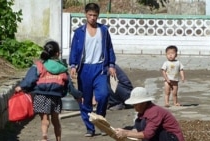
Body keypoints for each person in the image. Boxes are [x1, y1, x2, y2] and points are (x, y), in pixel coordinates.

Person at [15, 40, 83, 141]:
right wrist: (77, 96)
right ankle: (58, 139)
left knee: (44, 119)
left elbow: (30, 79)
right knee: (56, 120)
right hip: (55, 97)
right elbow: (69, 86)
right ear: (57, 53)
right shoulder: (62, 68)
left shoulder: (39, 66)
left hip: (41, 96)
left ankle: (44, 136)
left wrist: (21, 87)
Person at [69, 3, 116, 137]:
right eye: (90, 15)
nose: (92, 18)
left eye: (95, 15)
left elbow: (109, 48)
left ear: (98, 15)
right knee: (85, 100)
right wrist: (73, 65)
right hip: (84, 68)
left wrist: (111, 65)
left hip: (100, 68)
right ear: (85, 14)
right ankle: (90, 128)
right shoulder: (79, 32)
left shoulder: (104, 31)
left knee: (103, 95)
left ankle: (100, 122)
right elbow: (74, 50)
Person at [115, 87, 185, 141]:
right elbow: (137, 128)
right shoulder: (143, 112)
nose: (134, 106)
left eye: (136, 104)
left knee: (151, 132)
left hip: (172, 138)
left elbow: (148, 134)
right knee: (140, 124)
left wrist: (126, 133)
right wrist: (126, 132)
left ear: (144, 103)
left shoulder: (154, 111)